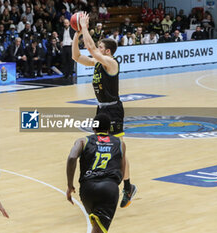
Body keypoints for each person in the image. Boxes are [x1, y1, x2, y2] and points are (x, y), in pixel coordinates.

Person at [72, 12, 137, 208]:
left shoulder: (111, 63)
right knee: (98, 146)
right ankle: (100, 181)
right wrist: (76, 33)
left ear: (107, 52)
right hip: (101, 110)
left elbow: (91, 48)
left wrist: (84, 27)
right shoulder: (97, 62)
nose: (96, 50)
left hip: (114, 110)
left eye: (101, 48)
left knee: (119, 150)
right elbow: (76, 56)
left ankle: (127, 186)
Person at [66, 114, 126, 233]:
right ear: (109, 129)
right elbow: (122, 171)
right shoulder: (120, 143)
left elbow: (72, 158)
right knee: (99, 230)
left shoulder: (83, 141)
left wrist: (69, 185)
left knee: (96, 226)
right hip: (109, 187)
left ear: (93, 128)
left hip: (87, 188)